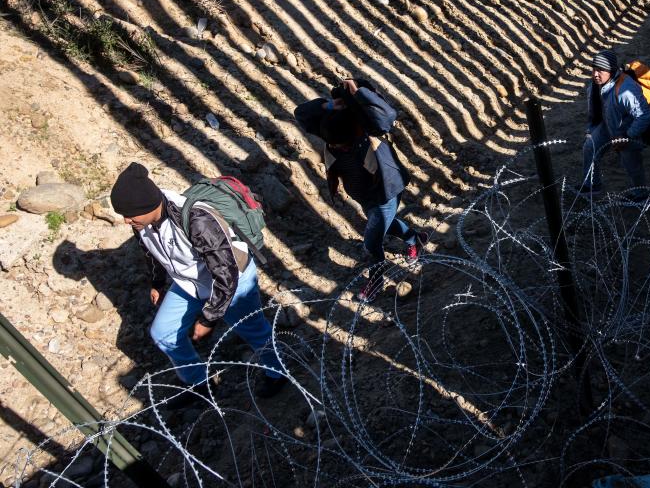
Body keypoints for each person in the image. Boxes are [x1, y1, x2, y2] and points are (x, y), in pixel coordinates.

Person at [110, 163, 287, 401]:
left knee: (253, 329)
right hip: (190, 281)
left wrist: (208, 319)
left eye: (130, 215)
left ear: (148, 205)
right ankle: (199, 383)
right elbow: (151, 252)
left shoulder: (196, 220)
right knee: (163, 333)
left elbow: (226, 273)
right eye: (124, 215)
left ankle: (278, 372)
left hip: (234, 279)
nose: (126, 221)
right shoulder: (141, 222)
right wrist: (157, 283)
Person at [295, 78, 425, 303]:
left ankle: (376, 279)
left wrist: (359, 94)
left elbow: (387, 115)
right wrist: (328, 105)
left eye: (343, 145)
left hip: (386, 191)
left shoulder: (369, 128)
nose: (339, 149)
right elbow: (301, 113)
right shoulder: (330, 128)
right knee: (385, 224)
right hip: (364, 194)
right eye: (334, 146)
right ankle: (416, 239)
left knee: (372, 242)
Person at [582, 49, 650, 193]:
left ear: (611, 70)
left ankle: (641, 195)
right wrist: (591, 130)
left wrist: (627, 136)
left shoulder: (625, 89)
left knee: (632, 164)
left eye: (600, 70)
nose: (595, 74)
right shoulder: (594, 85)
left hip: (627, 130)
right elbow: (594, 112)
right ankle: (592, 185)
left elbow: (645, 115)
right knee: (589, 147)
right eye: (593, 69)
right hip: (608, 124)